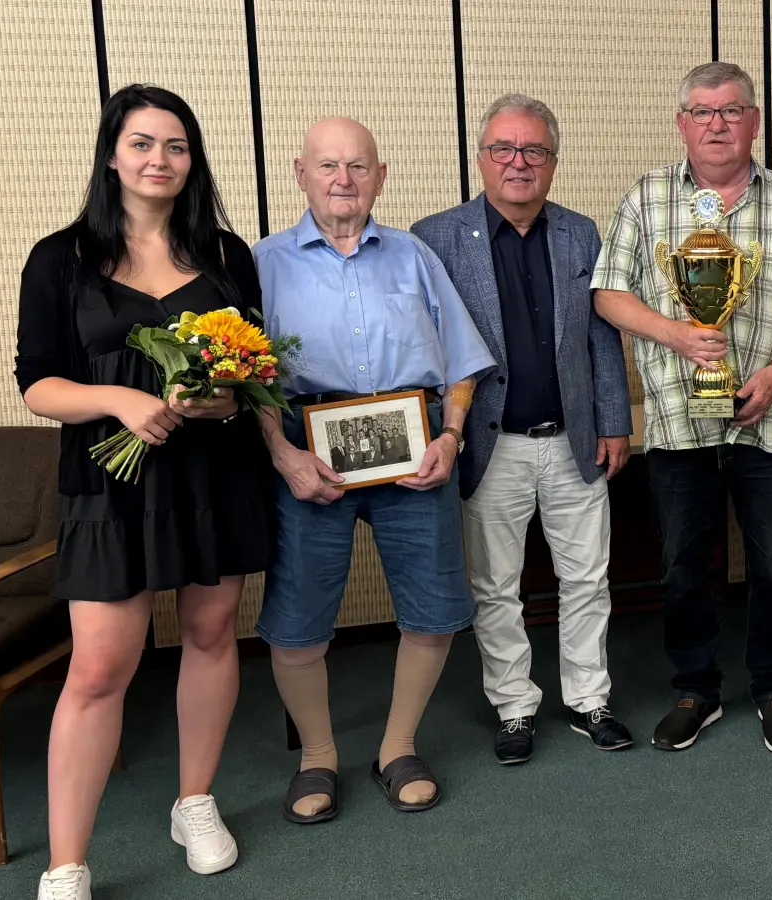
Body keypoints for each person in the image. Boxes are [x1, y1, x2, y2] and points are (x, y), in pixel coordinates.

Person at [15, 84, 273, 899]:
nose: (159, 160)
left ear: (192, 160)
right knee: (98, 667)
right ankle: (67, 862)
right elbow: (36, 385)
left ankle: (194, 800)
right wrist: (119, 399)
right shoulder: (59, 257)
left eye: (176, 146)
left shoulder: (227, 255)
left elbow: (256, 374)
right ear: (112, 154)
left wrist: (226, 398)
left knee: (210, 629)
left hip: (212, 473)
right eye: (142, 143)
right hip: (107, 480)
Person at [253, 117, 495, 823]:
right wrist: (282, 453)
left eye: (358, 167)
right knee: (297, 623)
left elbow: (461, 361)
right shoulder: (263, 262)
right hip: (307, 449)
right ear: (301, 174)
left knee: (434, 611)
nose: (343, 180)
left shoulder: (415, 256)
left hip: (413, 445)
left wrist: (450, 437)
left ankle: (397, 746)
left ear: (379, 177)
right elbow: (245, 374)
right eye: (328, 166)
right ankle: (318, 756)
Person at [593, 61, 772, 753]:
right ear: (682, 123)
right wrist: (678, 335)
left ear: (754, 121)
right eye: (702, 111)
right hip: (677, 417)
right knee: (683, 565)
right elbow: (608, 294)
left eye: (731, 110)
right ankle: (695, 687)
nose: (717, 123)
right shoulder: (645, 200)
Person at [412, 93, 634, 764]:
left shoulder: (579, 233)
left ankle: (589, 700)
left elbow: (600, 337)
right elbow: (424, 347)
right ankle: (514, 708)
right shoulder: (435, 237)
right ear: (481, 158)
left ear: (553, 163)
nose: (518, 163)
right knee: (494, 586)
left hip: (573, 437)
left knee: (588, 578)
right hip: (486, 441)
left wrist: (615, 420)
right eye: (504, 149)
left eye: (533, 151)